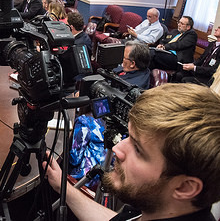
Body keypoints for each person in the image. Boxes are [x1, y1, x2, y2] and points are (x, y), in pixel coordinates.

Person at [44, 83, 220, 221]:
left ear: (184, 187)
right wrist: (63, 186)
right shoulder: (157, 206)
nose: (117, 148)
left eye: (138, 149)